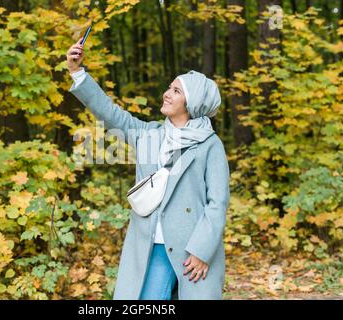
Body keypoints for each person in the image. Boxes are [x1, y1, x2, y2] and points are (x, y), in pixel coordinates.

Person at [66, 38, 230, 300]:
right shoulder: (148, 134)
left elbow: (217, 202)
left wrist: (202, 250)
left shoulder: (210, 145)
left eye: (176, 91)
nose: (167, 93)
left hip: (192, 251)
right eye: (169, 87)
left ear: (193, 103)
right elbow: (110, 113)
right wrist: (77, 73)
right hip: (151, 246)